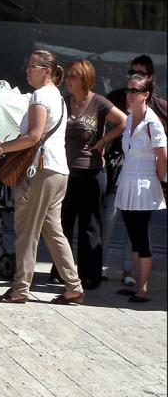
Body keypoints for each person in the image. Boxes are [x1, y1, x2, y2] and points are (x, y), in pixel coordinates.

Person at [0, 49, 84, 305]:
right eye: (28, 65)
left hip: (41, 170)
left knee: (26, 230)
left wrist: (1, 149)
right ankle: (73, 287)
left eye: (32, 66)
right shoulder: (58, 97)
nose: (27, 70)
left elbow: (33, 136)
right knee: (53, 230)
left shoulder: (40, 96)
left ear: (47, 72)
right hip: (58, 170)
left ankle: (20, 288)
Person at [50, 60, 126, 289]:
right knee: (62, 224)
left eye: (73, 76)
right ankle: (61, 271)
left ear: (84, 79)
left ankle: (89, 274)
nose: (68, 79)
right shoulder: (64, 102)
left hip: (93, 173)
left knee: (90, 226)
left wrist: (103, 141)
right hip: (67, 171)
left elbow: (124, 121)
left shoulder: (99, 103)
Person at [104, 55, 168, 287]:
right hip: (128, 181)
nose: (128, 94)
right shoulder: (130, 119)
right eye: (129, 89)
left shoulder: (153, 121)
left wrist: (157, 181)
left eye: (134, 90)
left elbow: (163, 158)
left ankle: (141, 287)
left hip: (145, 183)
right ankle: (134, 281)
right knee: (132, 233)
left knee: (140, 236)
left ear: (146, 93)